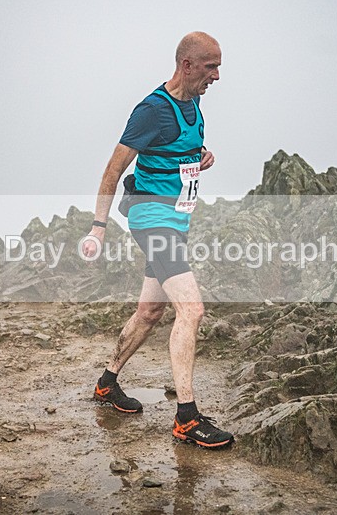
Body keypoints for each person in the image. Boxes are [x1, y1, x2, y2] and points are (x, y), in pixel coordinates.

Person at [82, 32, 233, 448]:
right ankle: (186, 419)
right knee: (193, 310)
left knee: (150, 311)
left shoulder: (193, 102)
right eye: (210, 67)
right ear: (186, 65)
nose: (218, 76)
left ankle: (106, 384)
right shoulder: (151, 110)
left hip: (175, 221)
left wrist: (202, 156)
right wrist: (98, 226)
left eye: (219, 66)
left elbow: (180, 149)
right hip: (151, 219)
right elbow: (113, 169)